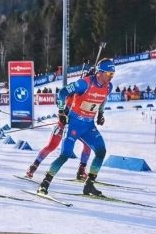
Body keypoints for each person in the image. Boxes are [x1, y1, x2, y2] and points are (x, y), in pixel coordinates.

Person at [37, 58, 115, 197]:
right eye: (109, 74)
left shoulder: (109, 87)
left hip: (88, 125)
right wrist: (61, 111)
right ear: (100, 73)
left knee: (101, 151)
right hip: (74, 123)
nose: (111, 77)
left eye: (112, 74)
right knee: (65, 155)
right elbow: (62, 93)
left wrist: (100, 114)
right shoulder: (84, 83)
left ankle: (89, 185)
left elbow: (103, 99)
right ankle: (44, 183)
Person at [25, 68, 94, 180]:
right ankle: (33, 167)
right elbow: (61, 96)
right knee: (51, 146)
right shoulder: (77, 88)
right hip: (64, 124)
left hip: (77, 126)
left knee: (88, 145)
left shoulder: (92, 94)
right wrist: (61, 112)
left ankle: (81, 171)